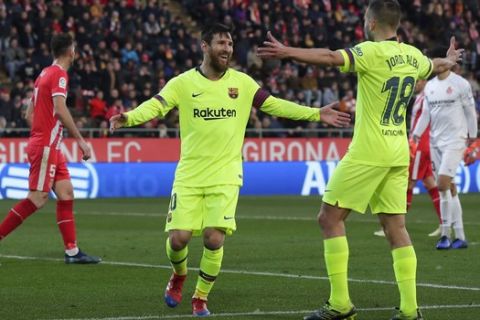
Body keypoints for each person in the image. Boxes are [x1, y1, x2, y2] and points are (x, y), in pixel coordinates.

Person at [110, 23, 350, 317]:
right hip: (189, 174)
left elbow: (274, 105)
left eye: (230, 43)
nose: (227, 49)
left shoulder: (243, 84)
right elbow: (157, 105)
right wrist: (130, 117)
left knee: (214, 237)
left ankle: (200, 297)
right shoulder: (183, 83)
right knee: (178, 239)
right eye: (221, 43)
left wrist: (315, 113)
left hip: (226, 174)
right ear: (205, 46)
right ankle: (179, 275)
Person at [257, 1, 462, 319]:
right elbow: (431, 66)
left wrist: (287, 51)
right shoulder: (412, 55)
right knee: (396, 227)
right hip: (397, 150)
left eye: (366, 20)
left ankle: (340, 303)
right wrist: (448, 60)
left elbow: (328, 57)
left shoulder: (371, 52)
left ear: (373, 22)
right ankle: (410, 310)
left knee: (329, 218)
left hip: (369, 150)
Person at [0, 33, 101, 265]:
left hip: (50, 146)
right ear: (70, 51)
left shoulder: (43, 73)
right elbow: (60, 108)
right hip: (46, 145)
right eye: (74, 47)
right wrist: (80, 141)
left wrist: (41, 132)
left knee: (66, 193)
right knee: (37, 198)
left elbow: (29, 114)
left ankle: (72, 252)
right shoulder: (59, 75)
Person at [413, 65, 477, 250]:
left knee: (441, 183)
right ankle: (455, 236)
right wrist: (416, 136)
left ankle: (447, 232)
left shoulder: (460, 84)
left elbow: (470, 111)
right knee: (447, 188)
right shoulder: (430, 86)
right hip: (435, 142)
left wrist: (472, 138)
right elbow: (426, 114)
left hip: (455, 141)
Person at [374, 79, 442, 238]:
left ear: (425, 81)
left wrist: (414, 141)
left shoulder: (427, 96)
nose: (415, 84)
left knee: (408, 183)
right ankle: (444, 223)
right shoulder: (420, 96)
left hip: (420, 145)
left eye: (417, 81)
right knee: (430, 183)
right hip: (422, 144)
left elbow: (427, 120)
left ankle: (394, 226)